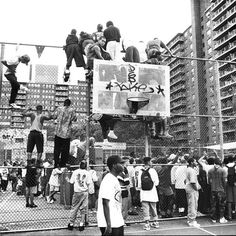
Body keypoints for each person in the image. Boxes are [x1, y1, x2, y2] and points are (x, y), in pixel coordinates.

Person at [97, 155, 125, 236]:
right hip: (110, 222)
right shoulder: (108, 180)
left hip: (116, 219)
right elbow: (105, 202)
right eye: (121, 163)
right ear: (114, 165)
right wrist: (108, 225)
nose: (123, 165)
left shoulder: (114, 178)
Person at [67, 160, 93, 231]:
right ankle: (81, 224)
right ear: (86, 166)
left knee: (74, 207)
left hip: (77, 192)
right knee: (83, 209)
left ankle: (71, 223)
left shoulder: (75, 172)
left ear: (79, 164)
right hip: (84, 192)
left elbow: (71, 182)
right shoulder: (87, 173)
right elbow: (89, 183)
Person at [51, 99, 77, 168]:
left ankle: (56, 164)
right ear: (70, 104)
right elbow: (74, 119)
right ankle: (62, 164)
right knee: (65, 150)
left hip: (58, 133)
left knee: (57, 149)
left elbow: (53, 116)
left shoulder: (59, 109)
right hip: (66, 134)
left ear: (64, 103)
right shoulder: (72, 110)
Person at [137, 157, 160, 231]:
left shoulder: (140, 171)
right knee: (153, 207)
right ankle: (155, 222)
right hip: (152, 192)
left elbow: (139, 184)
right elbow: (156, 183)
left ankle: (147, 224)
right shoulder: (152, 170)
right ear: (149, 162)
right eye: (151, 161)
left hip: (144, 193)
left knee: (145, 208)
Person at [208, 158, 228, 224]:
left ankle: (213, 218)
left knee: (213, 205)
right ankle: (221, 218)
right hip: (221, 190)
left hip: (213, 189)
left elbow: (209, 181)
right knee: (222, 205)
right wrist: (225, 189)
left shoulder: (210, 170)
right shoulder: (222, 170)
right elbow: (224, 181)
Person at [185, 157, 201, 227]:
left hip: (189, 189)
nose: (196, 163)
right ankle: (192, 221)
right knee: (193, 205)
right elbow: (192, 182)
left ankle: (190, 219)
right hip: (192, 190)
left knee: (191, 204)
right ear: (192, 162)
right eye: (195, 161)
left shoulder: (188, 169)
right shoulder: (191, 170)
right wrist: (196, 189)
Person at [117, 156, 130, 225]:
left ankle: (118, 221)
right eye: (127, 161)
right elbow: (127, 182)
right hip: (124, 189)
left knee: (118, 205)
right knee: (124, 207)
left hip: (117, 190)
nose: (128, 163)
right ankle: (123, 221)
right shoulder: (124, 169)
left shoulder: (116, 169)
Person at [225, 154, 236, 220]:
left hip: (228, 185)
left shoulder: (225, 167)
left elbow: (225, 178)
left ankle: (229, 216)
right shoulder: (235, 166)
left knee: (229, 200)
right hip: (235, 184)